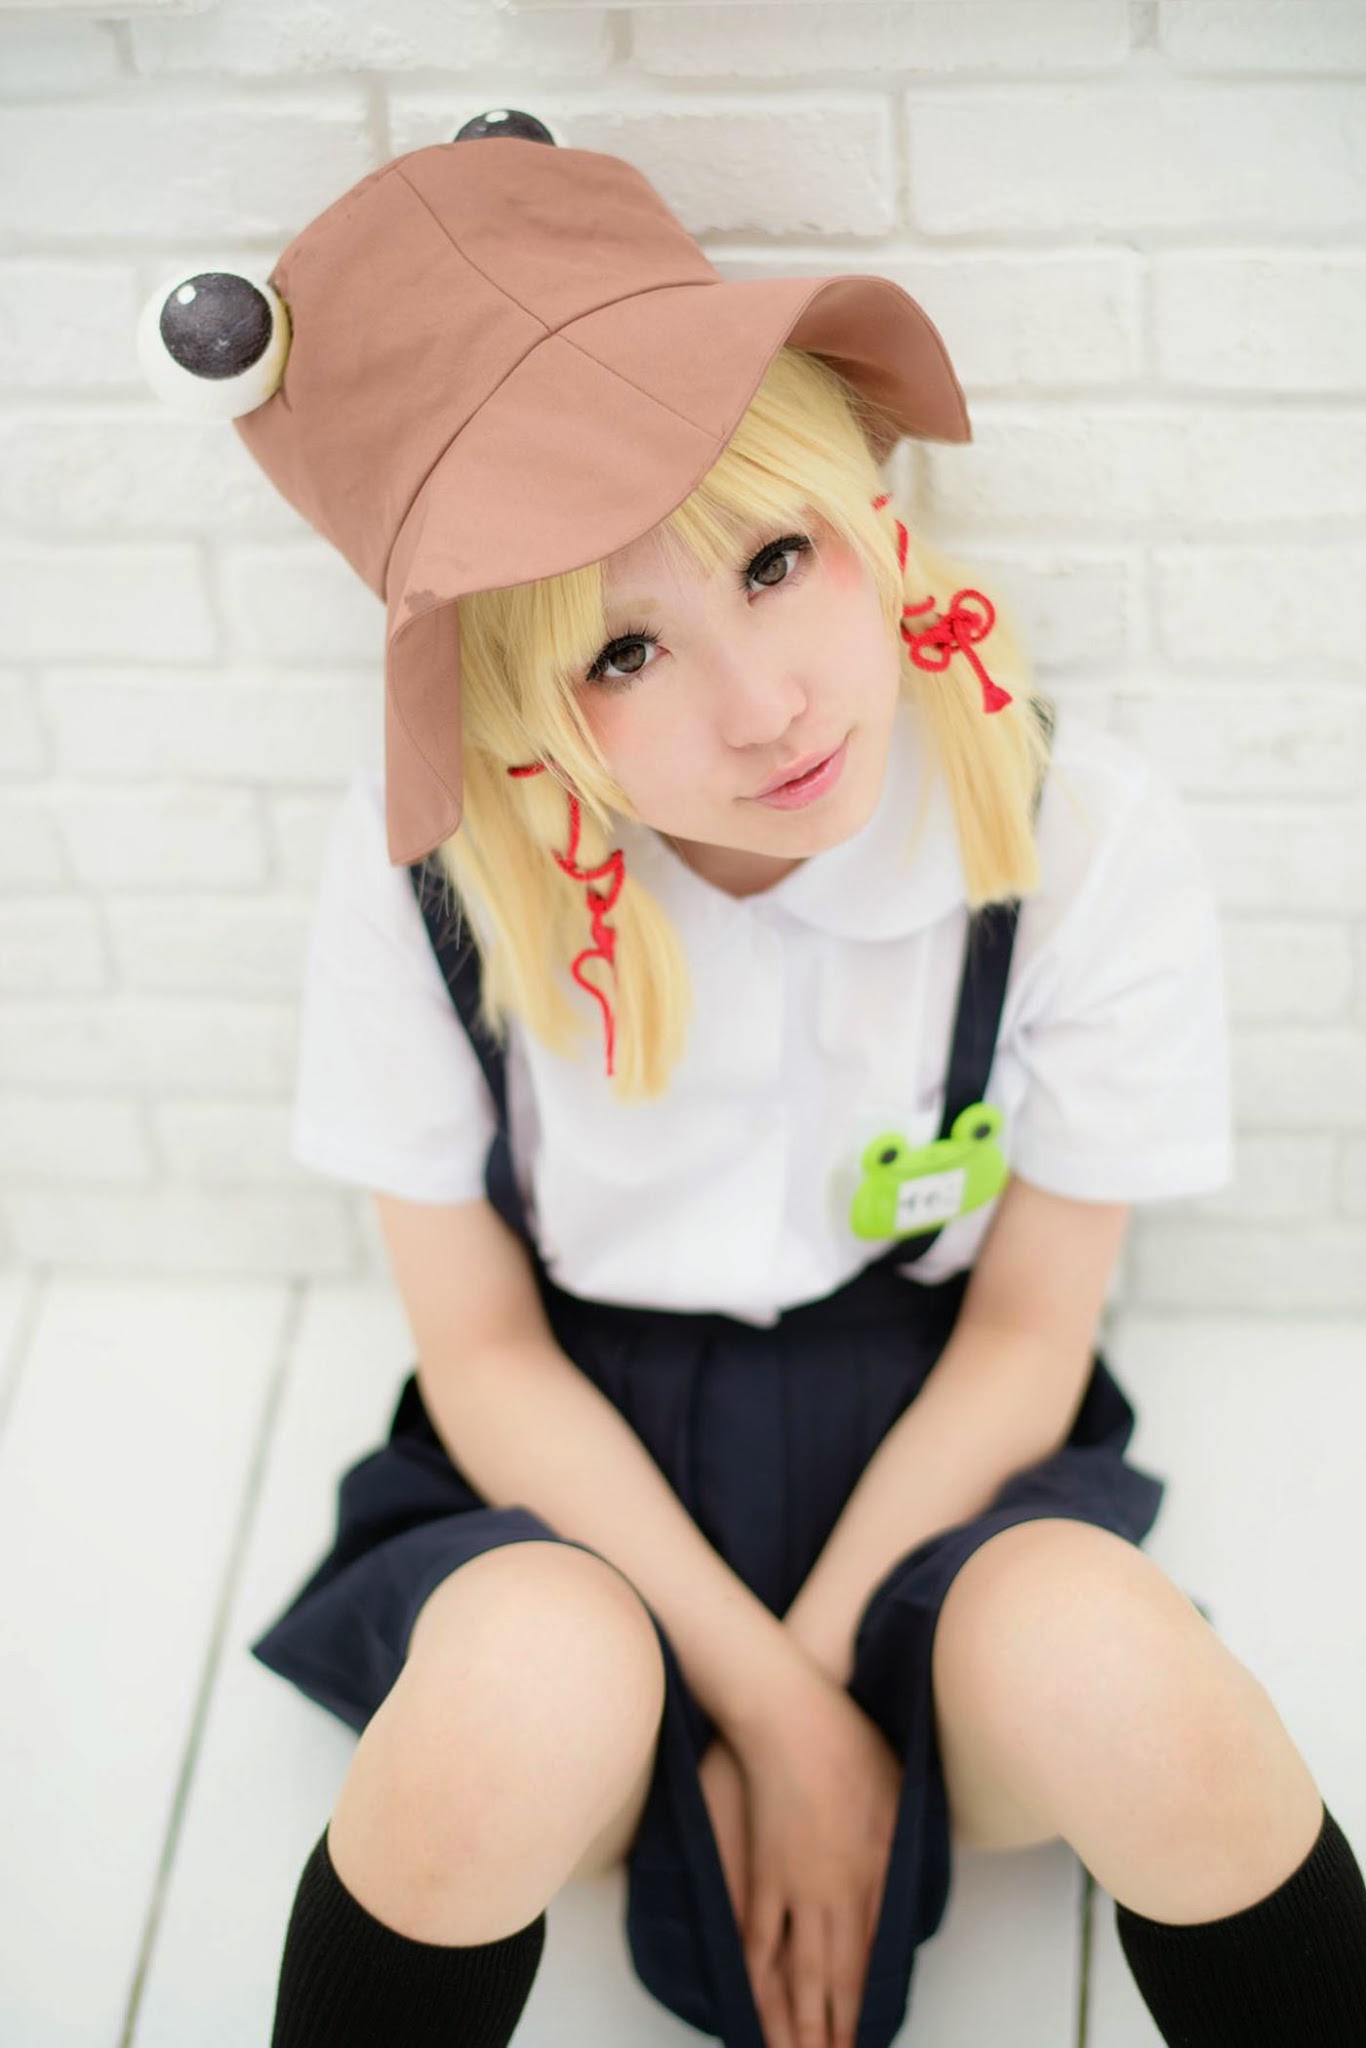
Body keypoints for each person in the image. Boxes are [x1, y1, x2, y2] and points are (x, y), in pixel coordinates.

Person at [139, 111, 1366, 2048]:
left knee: (1131, 1681)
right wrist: (779, 1712)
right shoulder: (436, 878)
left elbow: (1027, 1330)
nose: (763, 703)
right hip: (570, 1471)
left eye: (774, 559)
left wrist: (828, 1666)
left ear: (866, 509)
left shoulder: (1075, 834)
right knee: (516, 1687)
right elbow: (483, 1352)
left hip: (936, 1453)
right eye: (621, 654)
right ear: (516, 709)